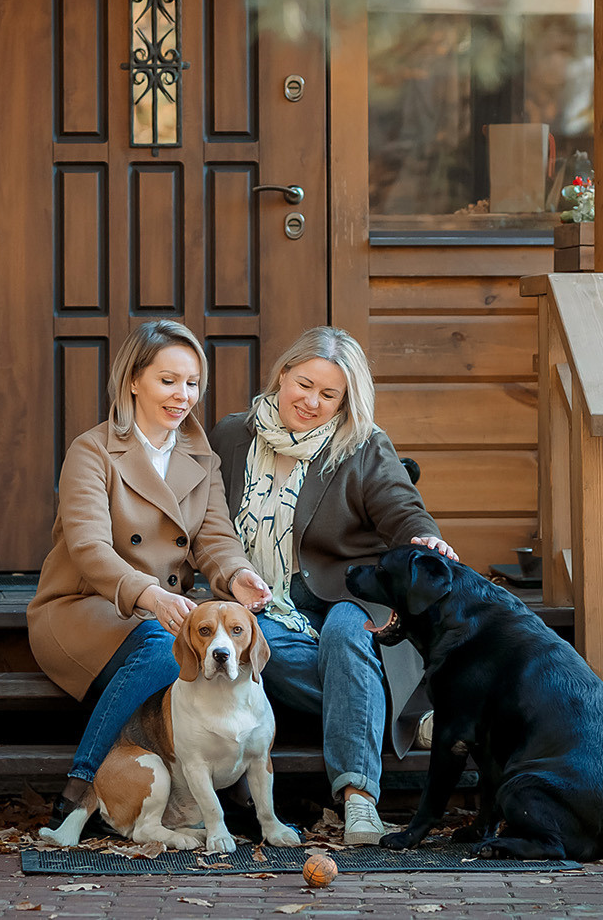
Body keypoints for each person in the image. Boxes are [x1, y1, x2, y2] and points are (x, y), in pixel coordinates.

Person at [210, 325, 458, 846]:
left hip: (348, 592)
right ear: (282, 374)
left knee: (348, 637)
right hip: (263, 602)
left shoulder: (362, 444)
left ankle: (359, 800)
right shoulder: (232, 436)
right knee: (251, 650)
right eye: (304, 385)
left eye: (329, 395)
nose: (312, 402)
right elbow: (203, 514)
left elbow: (402, 507)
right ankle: (401, 708)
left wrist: (424, 539)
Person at [27, 319, 274, 827]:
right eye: (168, 380)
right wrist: (151, 598)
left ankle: (237, 789)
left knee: (201, 649)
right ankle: (83, 786)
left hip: (163, 607)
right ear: (133, 380)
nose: (182, 395)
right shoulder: (92, 451)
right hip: (82, 608)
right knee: (166, 648)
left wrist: (237, 574)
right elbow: (89, 548)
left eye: (191, 383)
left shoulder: (199, 457)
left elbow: (215, 539)